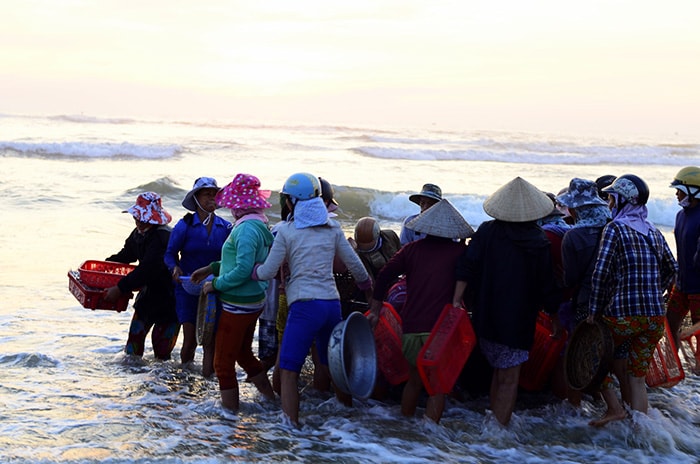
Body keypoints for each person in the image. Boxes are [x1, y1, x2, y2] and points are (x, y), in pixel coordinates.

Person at [251, 172, 372, 426]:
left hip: (304, 307)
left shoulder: (286, 231)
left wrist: (253, 271)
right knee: (334, 366)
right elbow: (357, 268)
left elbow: (269, 271)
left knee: (288, 371)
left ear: (290, 202)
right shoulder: (333, 228)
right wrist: (370, 294)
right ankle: (348, 422)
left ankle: (291, 426)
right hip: (331, 305)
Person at [452, 177, 561, 426]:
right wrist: (554, 317)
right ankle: (500, 431)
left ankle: (494, 421)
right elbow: (547, 286)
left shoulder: (488, 231)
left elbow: (466, 266)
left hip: (486, 315)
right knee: (509, 378)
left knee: (497, 371)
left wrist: (457, 300)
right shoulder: (538, 240)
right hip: (519, 320)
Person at [368, 199, 474, 424]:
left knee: (414, 381)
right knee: (437, 387)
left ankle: (407, 430)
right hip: (440, 331)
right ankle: (429, 440)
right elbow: (470, 282)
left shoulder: (411, 250)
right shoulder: (459, 253)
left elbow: (384, 276)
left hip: (411, 329)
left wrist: (376, 309)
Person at [587, 174, 677, 427]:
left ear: (622, 200)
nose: (609, 202)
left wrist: (594, 311)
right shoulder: (654, 232)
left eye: (612, 197)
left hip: (622, 317)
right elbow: (673, 269)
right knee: (637, 377)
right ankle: (642, 432)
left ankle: (614, 409)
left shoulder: (615, 229)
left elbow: (601, 273)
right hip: (654, 319)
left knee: (596, 359)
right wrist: (653, 292)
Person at [191, 174, 275, 412]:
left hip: (239, 303)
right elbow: (237, 262)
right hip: (253, 300)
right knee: (243, 353)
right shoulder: (257, 223)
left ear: (239, 204)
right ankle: (271, 401)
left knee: (222, 364)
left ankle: (229, 419)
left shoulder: (246, 229)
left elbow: (242, 269)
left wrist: (215, 283)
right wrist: (211, 268)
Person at [164, 177, 231, 377]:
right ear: (196, 198)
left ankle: (207, 381)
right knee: (190, 339)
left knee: (211, 339)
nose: (212, 198)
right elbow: (169, 253)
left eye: (214, 194)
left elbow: (230, 258)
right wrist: (174, 269)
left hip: (214, 287)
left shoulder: (226, 227)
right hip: (187, 288)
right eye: (207, 194)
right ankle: (185, 379)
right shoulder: (184, 226)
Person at [104, 192, 180, 360]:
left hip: (170, 300)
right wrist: (106, 266)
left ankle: (163, 382)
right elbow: (127, 255)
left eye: (142, 218)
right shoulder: (138, 233)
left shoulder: (163, 237)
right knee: (133, 345)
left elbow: (147, 269)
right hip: (148, 296)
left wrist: (120, 288)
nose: (138, 221)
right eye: (136, 217)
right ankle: (134, 379)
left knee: (161, 350)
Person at [555, 178, 611, 404]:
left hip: (586, 302)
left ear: (574, 208)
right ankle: (607, 402)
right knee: (607, 353)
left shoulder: (574, 236)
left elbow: (571, 278)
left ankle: (575, 406)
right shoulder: (613, 226)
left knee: (578, 354)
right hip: (613, 301)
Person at [666, 167, 700, 356]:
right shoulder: (680, 216)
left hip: (699, 289)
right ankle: (673, 368)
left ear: (694, 191)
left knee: (698, 334)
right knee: (670, 329)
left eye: (680, 190)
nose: (677, 195)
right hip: (681, 284)